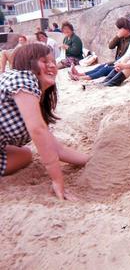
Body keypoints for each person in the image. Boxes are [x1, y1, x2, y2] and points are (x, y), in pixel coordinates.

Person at [0, 43, 89, 200]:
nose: (52, 65)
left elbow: (56, 149)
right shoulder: (23, 78)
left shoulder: (32, 97)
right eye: (44, 61)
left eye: (52, 61)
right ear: (28, 64)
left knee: (26, 155)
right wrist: (57, 181)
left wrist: (91, 160)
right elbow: (38, 131)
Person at [69, 17, 130, 82]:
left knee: (104, 69)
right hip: (117, 62)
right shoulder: (121, 38)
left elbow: (125, 59)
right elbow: (111, 46)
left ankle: (80, 78)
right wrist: (117, 37)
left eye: (120, 28)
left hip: (123, 66)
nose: (118, 31)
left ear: (126, 29)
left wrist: (112, 63)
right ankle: (80, 74)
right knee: (101, 66)